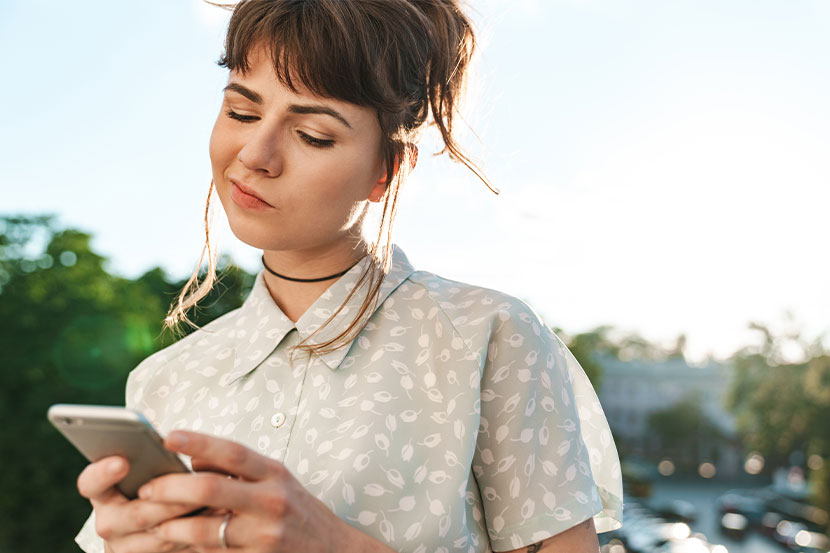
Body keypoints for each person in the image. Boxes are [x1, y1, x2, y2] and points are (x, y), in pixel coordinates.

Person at [74, 1, 623, 552]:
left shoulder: (487, 334)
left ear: (386, 170)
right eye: (241, 113)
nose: (256, 154)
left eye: (313, 134)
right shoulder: (163, 378)